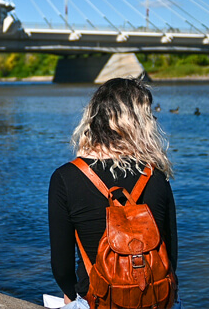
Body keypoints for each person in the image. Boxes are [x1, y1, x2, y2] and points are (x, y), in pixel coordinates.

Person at [49, 78, 178, 309]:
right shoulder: (156, 176)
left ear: (93, 118)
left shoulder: (65, 178)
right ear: (140, 123)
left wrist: (71, 296)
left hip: (96, 302)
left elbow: (62, 268)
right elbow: (171, 259)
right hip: (154, 301)